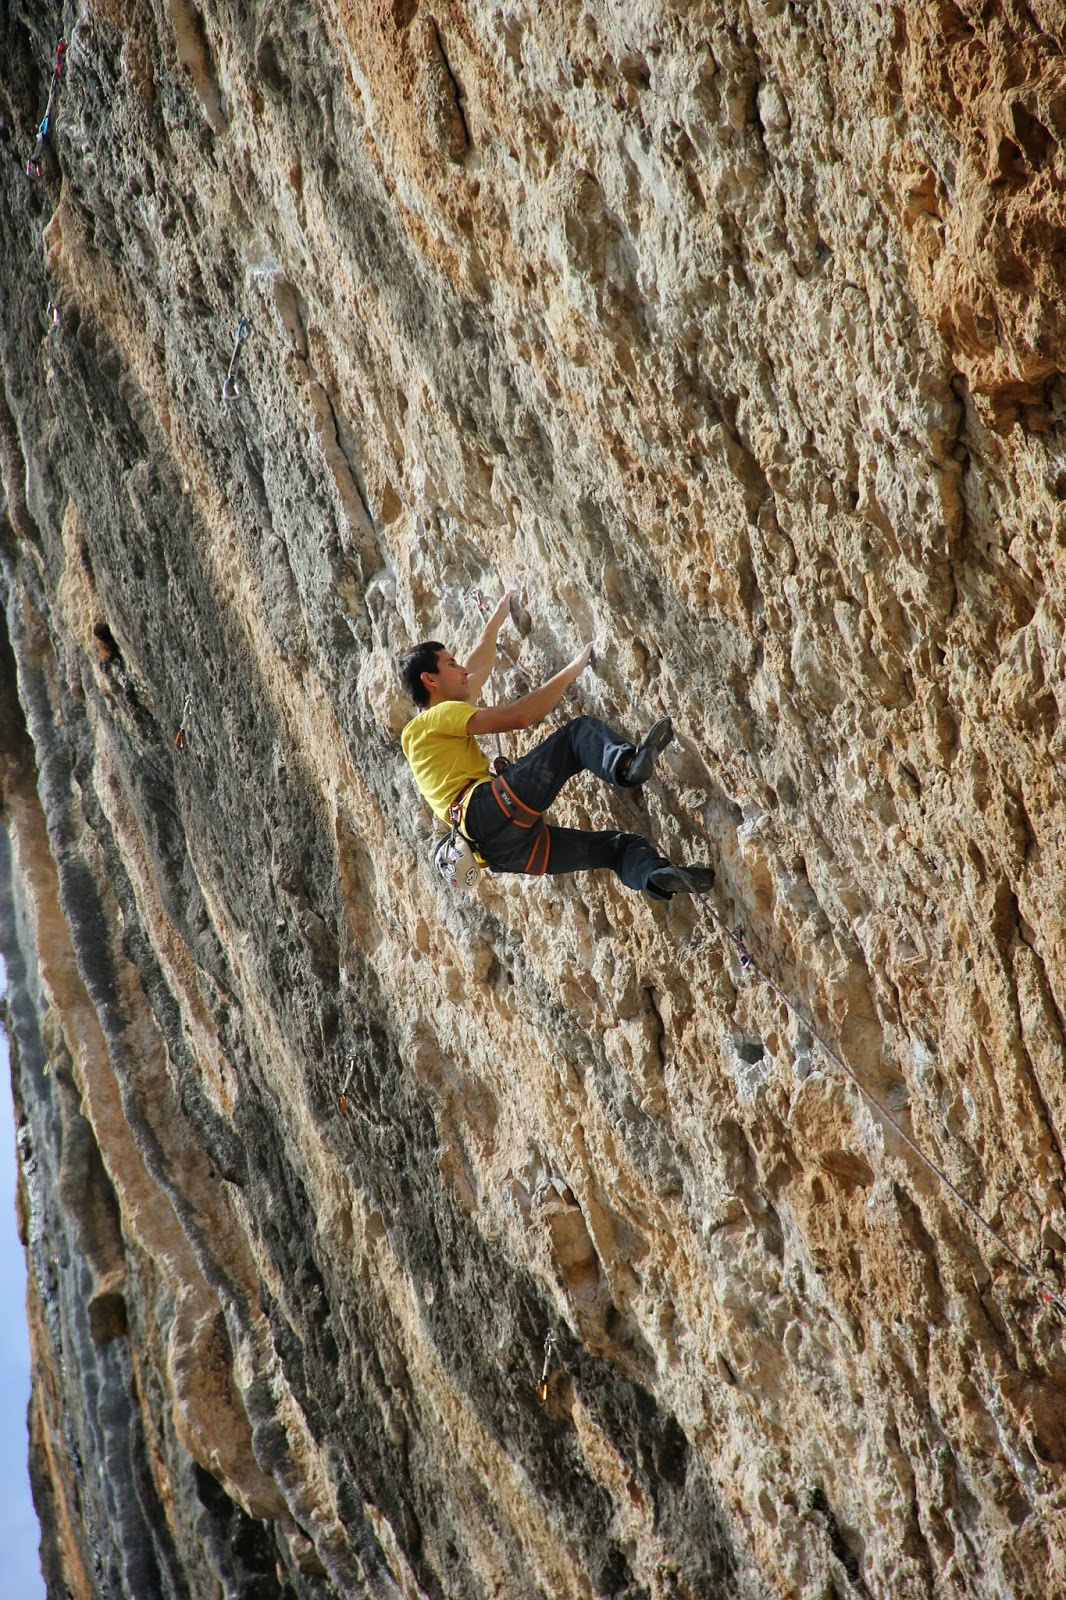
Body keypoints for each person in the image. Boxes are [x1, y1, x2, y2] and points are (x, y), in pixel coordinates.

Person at [398, 591, 715, 900]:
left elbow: (476, 668)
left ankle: (653, 876)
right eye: (451, 664)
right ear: (430, 679)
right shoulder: (437, 717)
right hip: (487, 810)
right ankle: (627, 766)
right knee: (579, 734)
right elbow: (521, 716)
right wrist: (571, 671)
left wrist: (496, 617)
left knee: (615, 849)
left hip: (500, 853)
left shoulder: (421, 736)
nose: (462, 670)